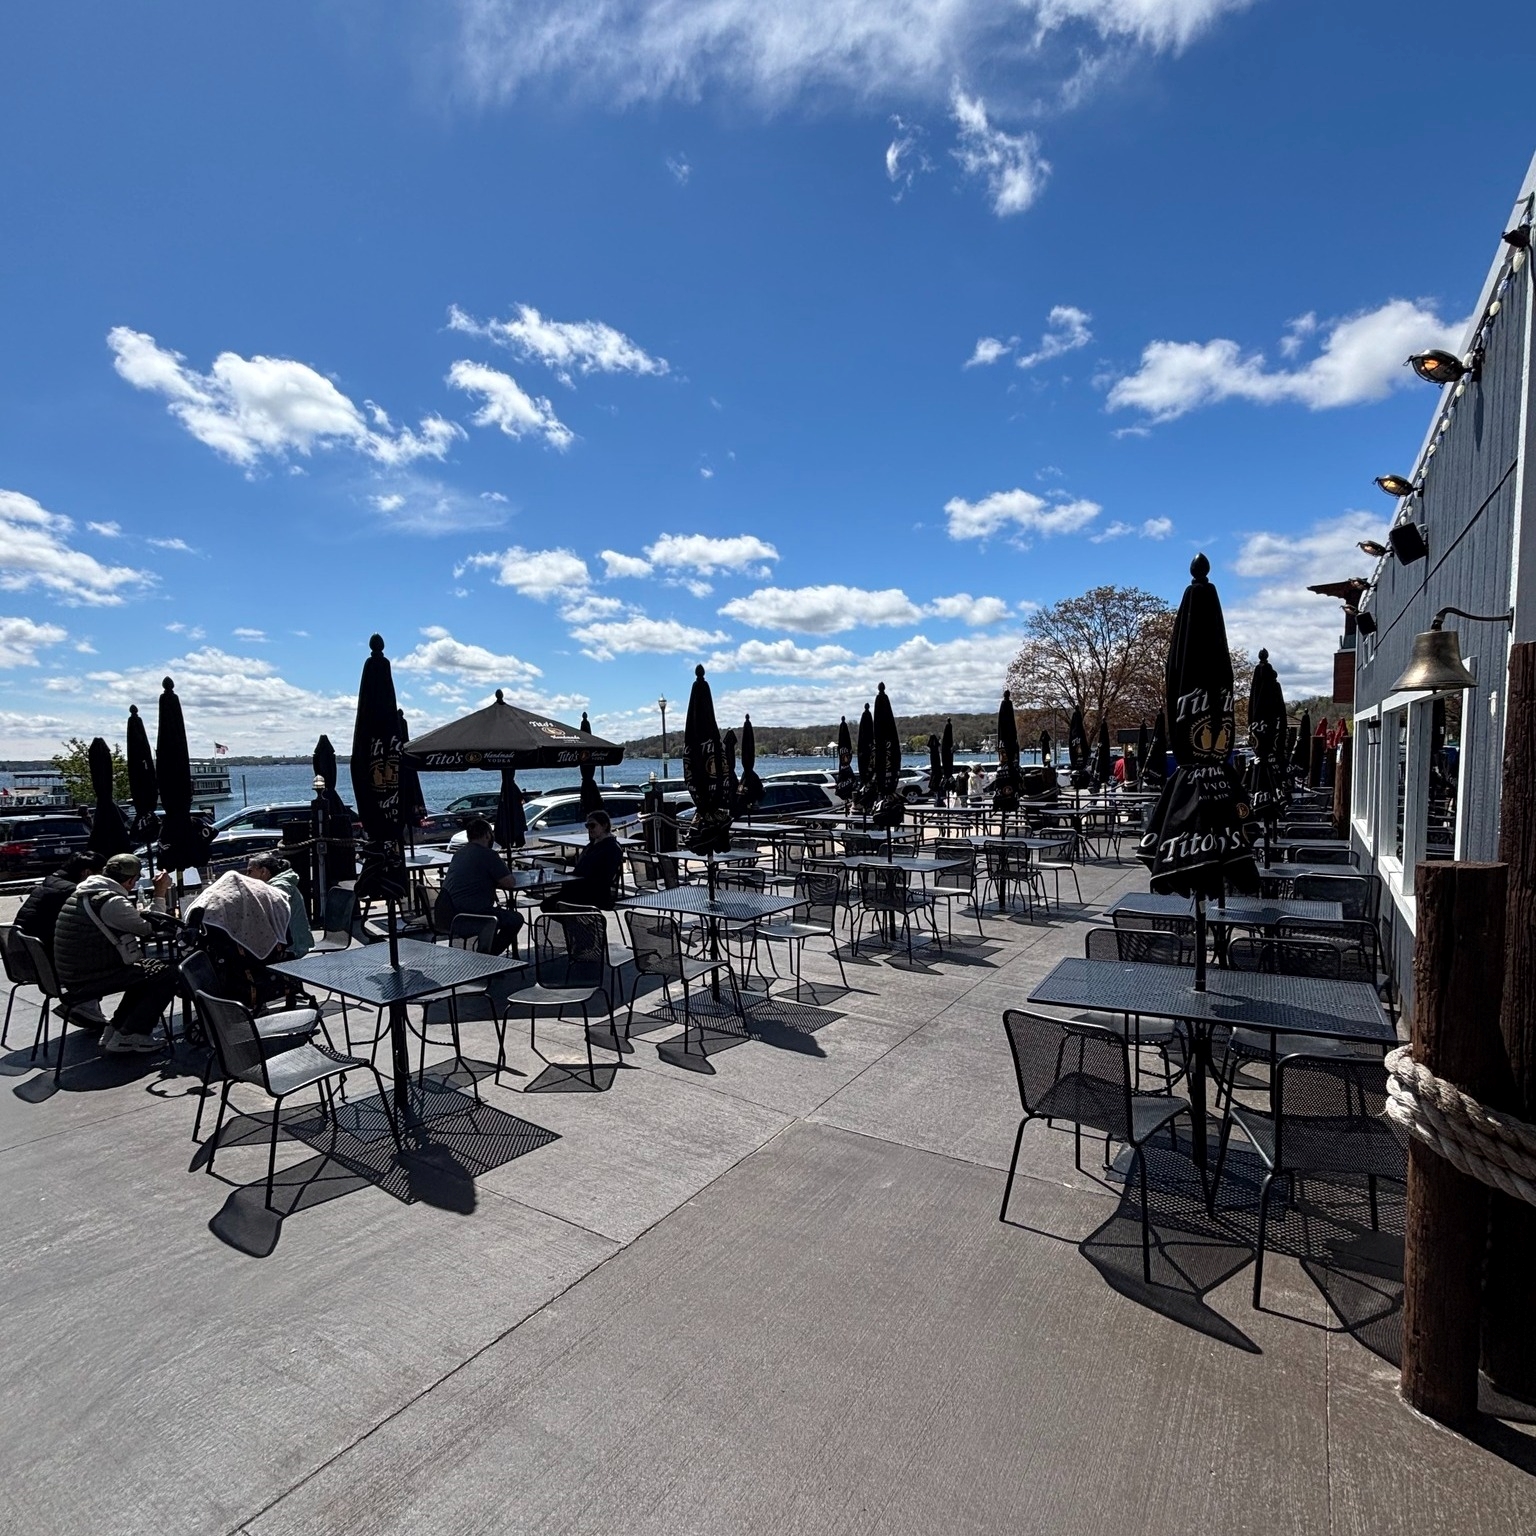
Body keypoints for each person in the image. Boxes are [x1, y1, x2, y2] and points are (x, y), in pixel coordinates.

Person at [53, 853, 178, 1053]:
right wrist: (160, 893)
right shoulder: (111, 902)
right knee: (167, 973)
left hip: (73, 972)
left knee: (145, 971)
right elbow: (150, 928)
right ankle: (130, 1034)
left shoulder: (86, 892)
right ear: (131, 880)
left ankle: (118, 1028)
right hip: (90, 977)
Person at [435, 817, 524, 954]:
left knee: (498, 914)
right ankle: (489, 957)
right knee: (515, 919)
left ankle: (487, 954)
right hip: (470, 915)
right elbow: (510, 883)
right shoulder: (489, 855)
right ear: (488, 835)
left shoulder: (459, 854)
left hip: (446, 914)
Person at [547, 810, 624, 910]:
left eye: (592, 826)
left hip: (593, 894)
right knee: (548, 904)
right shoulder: (591, 846)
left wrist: (573, 881)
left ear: (604, 826)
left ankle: (575, 923)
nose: (589, 829)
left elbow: (602, 879)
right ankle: (573, 923)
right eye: (587, 826)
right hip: (578, 890)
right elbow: (579, 869)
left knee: (550, 905)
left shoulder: (612, 848)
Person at [245, 851, 313, 957]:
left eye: (250, 872)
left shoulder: (280, 887)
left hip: (293, 947)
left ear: (263, 871)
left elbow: (269, 914)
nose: (247, 876)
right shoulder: (274, 885)